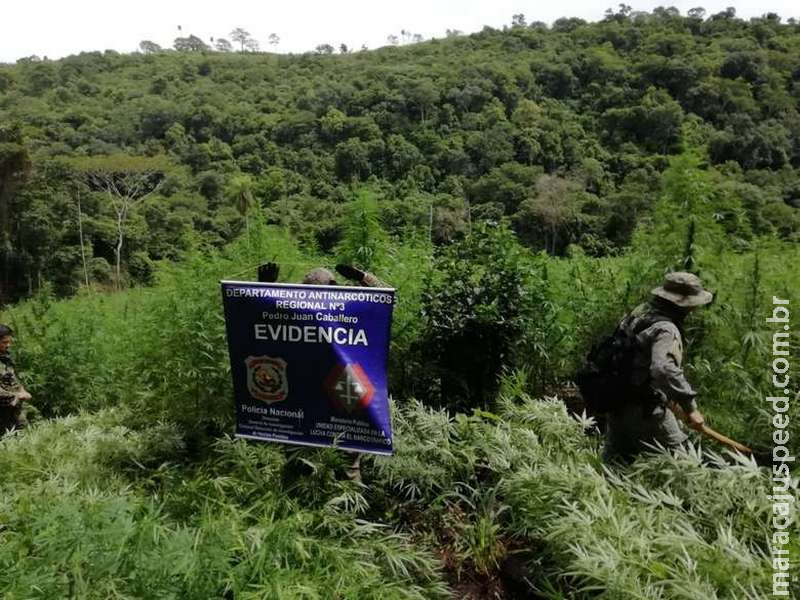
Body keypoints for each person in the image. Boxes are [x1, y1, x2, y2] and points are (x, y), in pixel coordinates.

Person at [257, 262, 387, 482]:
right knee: (299, 452)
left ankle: (346, 505)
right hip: (307, 385)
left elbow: (384, 300)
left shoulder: (348, 306)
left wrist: (363, 276)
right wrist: (264, 285)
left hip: (339, 385)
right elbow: (264, 315)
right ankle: (300, 500)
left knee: (345, 453)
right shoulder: (298, 308)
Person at [602, 272, 712, 463]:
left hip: (615, 402)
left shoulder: (638, 314)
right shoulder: (666, 329)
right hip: (645, 409)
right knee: (683, 464)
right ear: (683, 304)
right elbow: (663, 369)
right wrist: (690, 407)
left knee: (615, 466)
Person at [0, 324, 31, 435]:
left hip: (14, 408)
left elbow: (13, 377)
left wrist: (21, 389)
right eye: (4, 342)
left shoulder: (5, 358)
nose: (8, 345)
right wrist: (16, 396)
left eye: (9, 342)